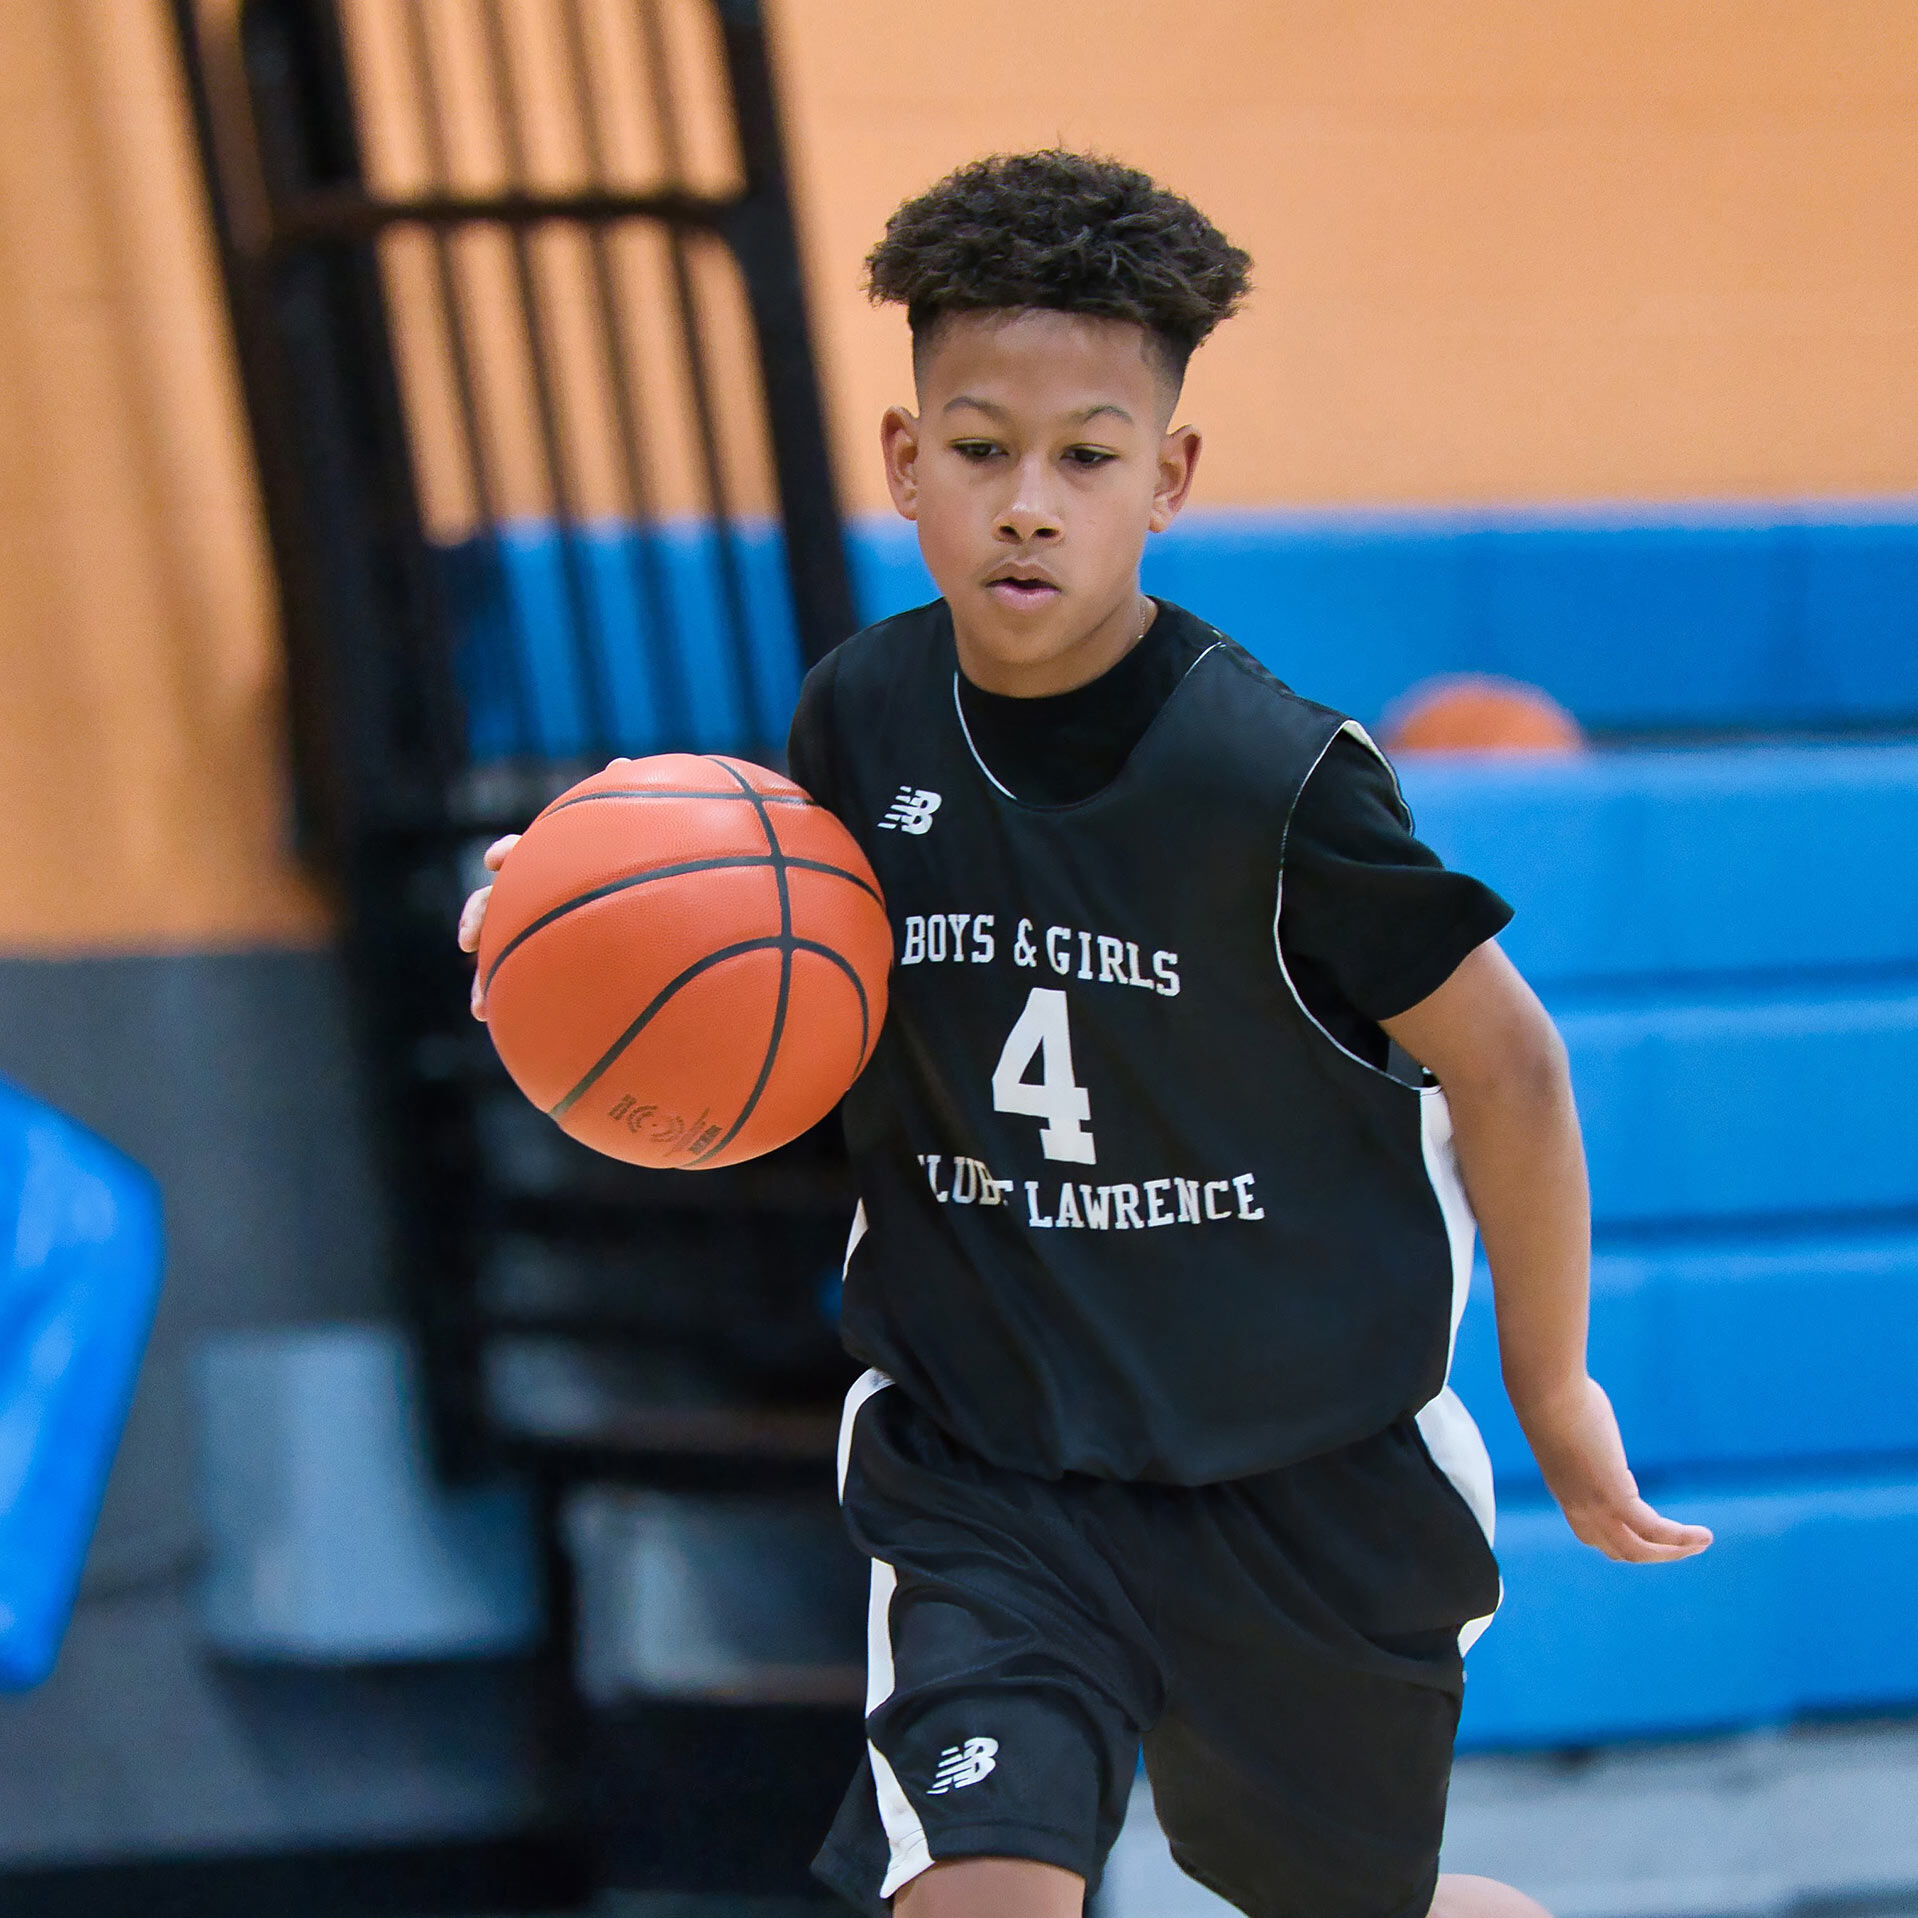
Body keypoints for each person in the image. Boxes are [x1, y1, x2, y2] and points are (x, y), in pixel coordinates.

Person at [459, 150, 1711, 1918]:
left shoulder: (1270, 784)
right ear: (905, 467)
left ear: (1166, 479)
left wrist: (1553, 1380)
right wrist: (546, 911)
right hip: (991, 1462)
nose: (1025, 504)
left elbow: (1506, 1063)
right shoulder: (862, 715)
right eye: (978, 451)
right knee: (978, 1889)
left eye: (1084, 457)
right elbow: (743, 924)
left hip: (1297, 1472)